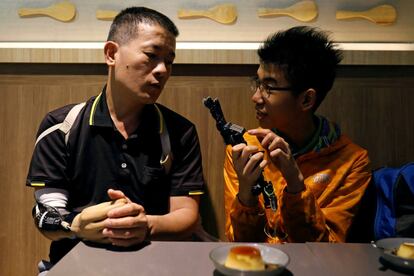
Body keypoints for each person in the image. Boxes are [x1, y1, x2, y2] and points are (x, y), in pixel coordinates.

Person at [26, 7, 205, 270]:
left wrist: (144, 226)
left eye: (169, 61)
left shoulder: (180, 131)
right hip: (76, 266)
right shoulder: (61, 126)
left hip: (155, 267)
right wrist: (78, 225)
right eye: (152, 56)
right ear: (112, 54)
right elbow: (47, 216)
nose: (162, 70)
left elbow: (187, 216)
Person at [224, 26, 371, 243]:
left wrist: (295, 182)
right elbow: (238, 243)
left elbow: (327, 249)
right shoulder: (245, 150)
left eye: (269, 87)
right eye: (257, 83)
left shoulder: (352, 163)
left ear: (306, 100)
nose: (256, 97)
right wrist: (246, 194)